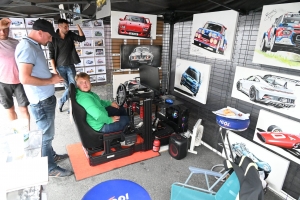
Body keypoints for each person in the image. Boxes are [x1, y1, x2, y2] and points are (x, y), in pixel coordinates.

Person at [15, 19, 73, 177]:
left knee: (48, 135)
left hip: (44, 98)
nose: (50, 39)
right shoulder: (27, 47)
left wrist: (50, 76)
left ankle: (51, 156)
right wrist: (50, 80)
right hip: (40, 101)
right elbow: (24, 78)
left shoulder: (33, 45)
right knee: (46, 137)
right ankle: (49, 168)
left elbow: (35, 72)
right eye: (48, 36)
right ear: (40, 32)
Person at [48, 18, 86, 112]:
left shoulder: (70, 35)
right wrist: (54, 70)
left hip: (70, 66)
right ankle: (71, 106)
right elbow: (51, 56)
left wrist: (77, 25)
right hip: (60, 68)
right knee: (67, 87)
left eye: (68, 26)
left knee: (72, 87)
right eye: (65, 27)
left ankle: (62, 101)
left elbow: (82, 38)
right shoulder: (53, 39)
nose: (67, 28)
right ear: (59, 27)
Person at [0, 18, 30, 125]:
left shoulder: (16, 42)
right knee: (10, 110)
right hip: (3, 82)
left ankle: (27, 134)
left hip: (19, 81)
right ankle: (16, 134)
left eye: (5, 29)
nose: (3, 32)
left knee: (24, 109)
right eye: (0, 29)